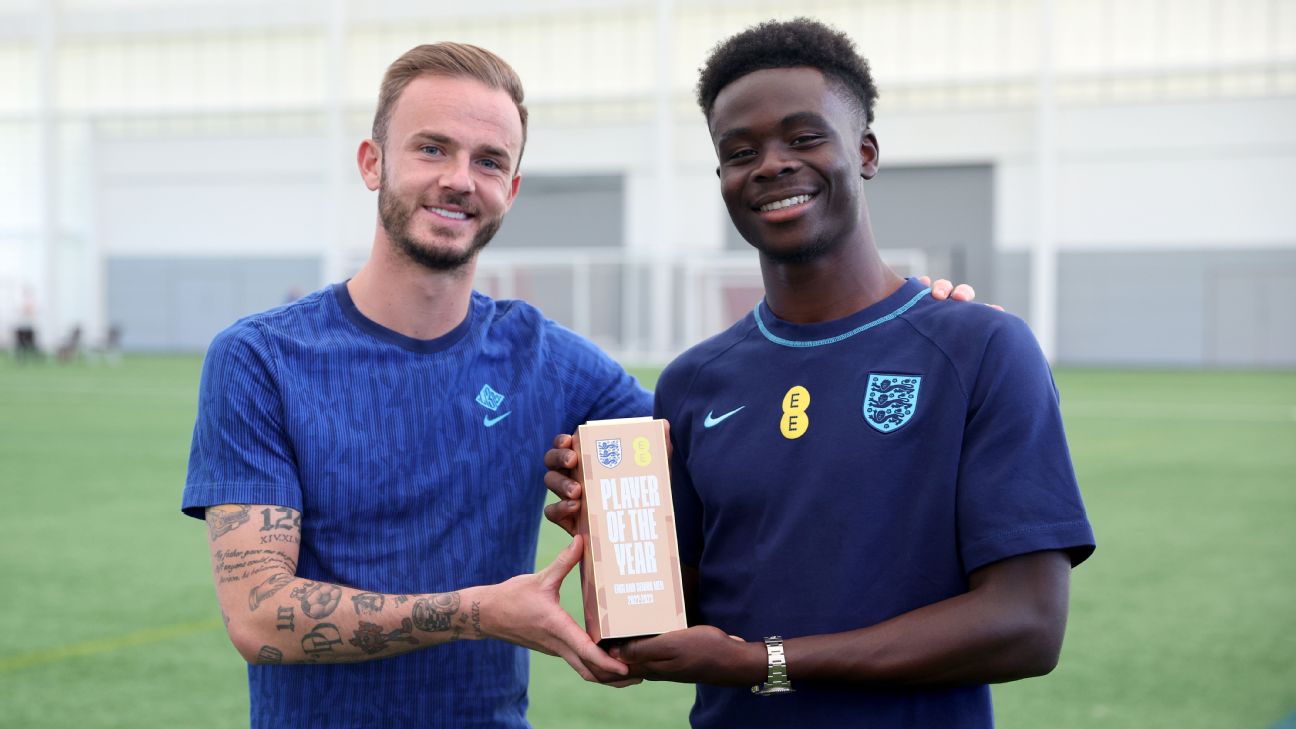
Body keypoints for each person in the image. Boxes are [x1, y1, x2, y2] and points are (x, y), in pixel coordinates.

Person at [183, 40, 981, 728]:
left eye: (489, 160)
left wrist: (903, 319)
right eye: (432, 149)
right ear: (372, 162)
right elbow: (260, 614)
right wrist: (482, 611)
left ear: (512, 189)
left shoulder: (552, 362)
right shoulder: (260, 357)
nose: (460, 179)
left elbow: (738, 449)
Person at [543, 18, 1094, 728]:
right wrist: (613, 536)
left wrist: (766, 664)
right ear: (722, 180)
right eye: (740, 151)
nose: (771, 163)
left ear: (863, 152)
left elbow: (1026, 623)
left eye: (803, 138)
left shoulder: (982, 348)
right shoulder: (692, 382)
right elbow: (668, 630)